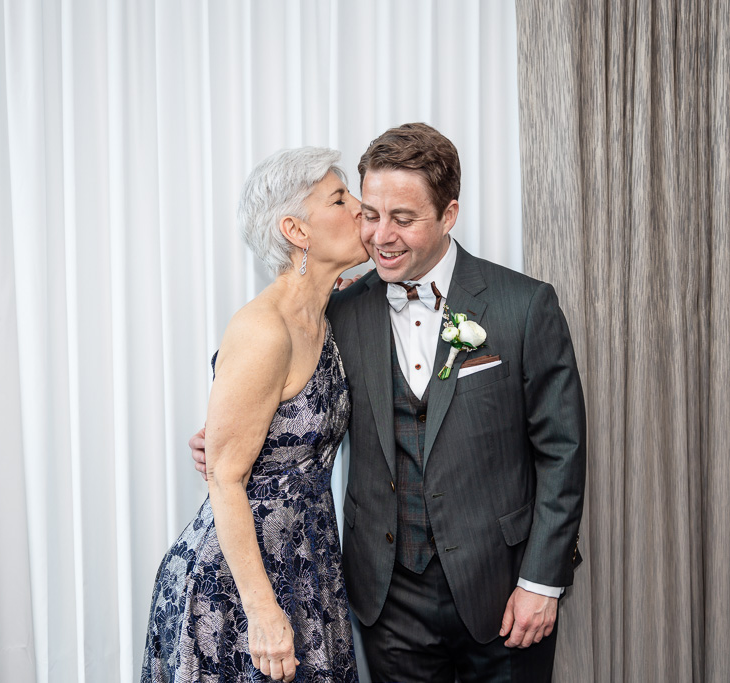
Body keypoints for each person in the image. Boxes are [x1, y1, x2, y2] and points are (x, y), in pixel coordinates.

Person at [193, 122, 586, 682]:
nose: (381, 235)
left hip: (504, 590)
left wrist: (541, 582)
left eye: (403, 219)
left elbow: (562, 452)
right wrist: (224, 439)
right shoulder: (341, 315)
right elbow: (276, 389)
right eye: (369, 214)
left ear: (448, 215)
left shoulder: (523, 306)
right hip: (386, 599)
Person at [141, 147, 366, 683]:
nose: (361, 207)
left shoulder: (325, 311)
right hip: (237, 584)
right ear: (296, 229)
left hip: (310, 563)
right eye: (340, 198)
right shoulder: (264, 329)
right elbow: (224, 474)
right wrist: (263, 613)